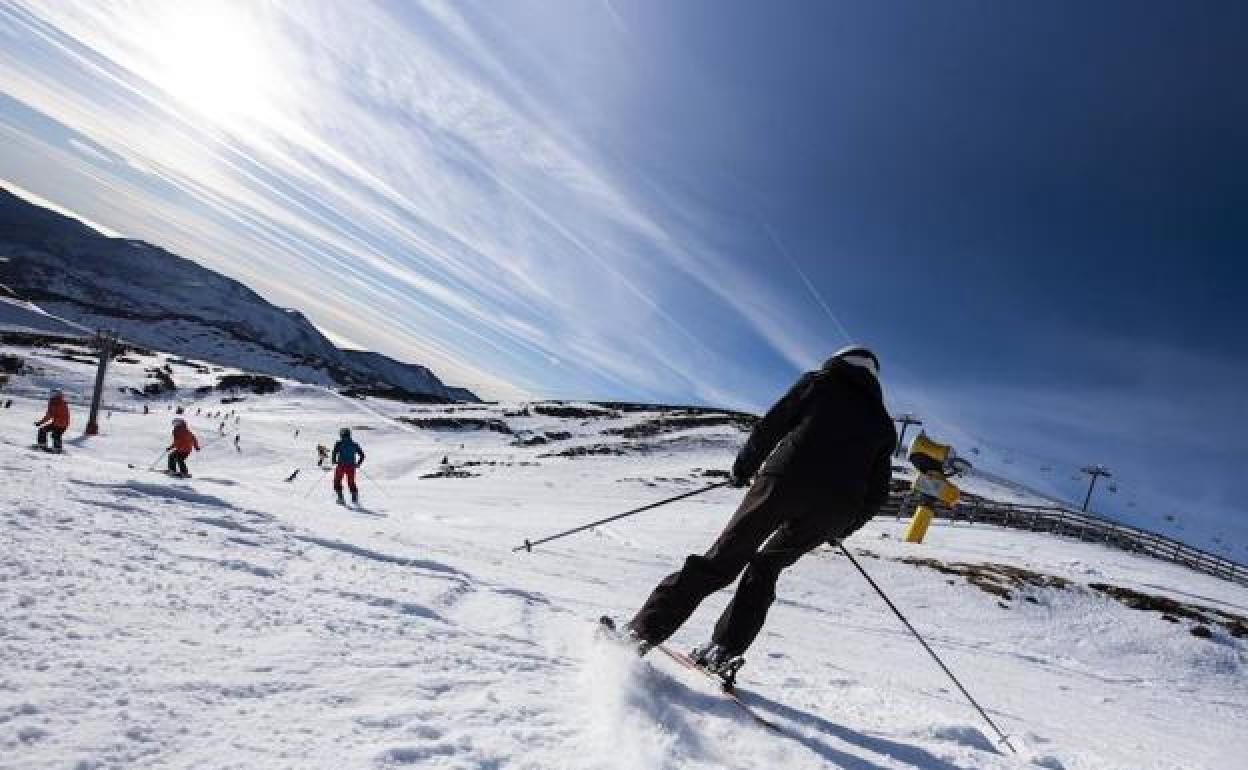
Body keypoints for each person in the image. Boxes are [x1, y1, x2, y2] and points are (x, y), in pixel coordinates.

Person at [621, 345, 897, 685]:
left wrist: (744, 467)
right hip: (835, 509)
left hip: (785, 483)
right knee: (766, 568)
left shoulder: (821, 383)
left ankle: (639, 635)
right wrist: (845, 527)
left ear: (838, 360)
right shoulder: (883, 424)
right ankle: (725, 651)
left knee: (722, 560)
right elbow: (878, 491)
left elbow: (774, 424)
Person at [331, 428, 366, 505]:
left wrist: (333, 461)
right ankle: (354, 499)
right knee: (351, 482)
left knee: (337, 481)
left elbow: (334, 453)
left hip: (341, 466)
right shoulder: (354, 444)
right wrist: (358, 464)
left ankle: (340, 498)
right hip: (351, 466)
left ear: (341, 435)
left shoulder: (338, 443)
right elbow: (362, 455)